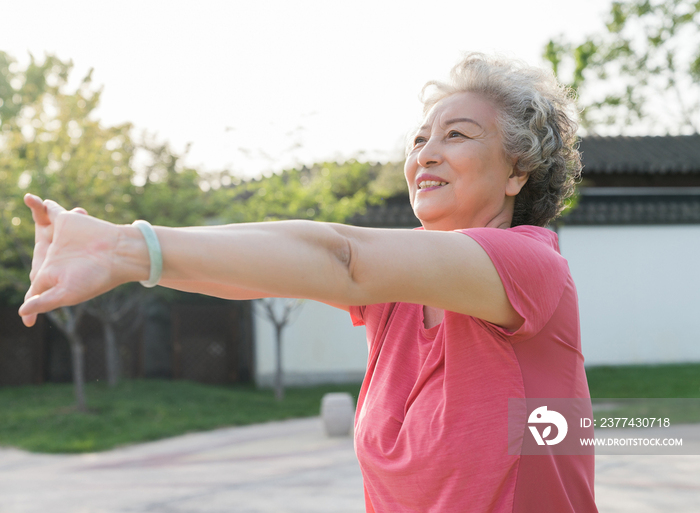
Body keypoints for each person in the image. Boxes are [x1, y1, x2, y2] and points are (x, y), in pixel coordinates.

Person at [19, 53, 597, 512]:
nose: (426, 153)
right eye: (420, 139)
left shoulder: (531, 267)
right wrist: (134, 261)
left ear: (518, 170)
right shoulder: (396, 296)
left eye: (457, 135)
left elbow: (343, 261)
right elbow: (267, 272)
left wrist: (124, 245)